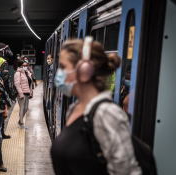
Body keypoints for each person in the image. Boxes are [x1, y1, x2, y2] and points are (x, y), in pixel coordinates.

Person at [51, 38, 141, 175]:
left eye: (63, 67)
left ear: (84, 70)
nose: (59, 73)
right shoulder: (74, 109)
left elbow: (127, 170)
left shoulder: (106, 113)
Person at [14, 61, 33, 129]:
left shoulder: (27, 73)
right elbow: (17, 84)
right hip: (21, 93)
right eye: (23, 65)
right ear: (19, 66)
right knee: (22, 108)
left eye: (26, 65)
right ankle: (21, 123)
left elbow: (30, 84)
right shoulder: (17, 73)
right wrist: (20, 94)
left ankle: (19, 121)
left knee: (26, 108)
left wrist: (31, 93)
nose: (25, 67)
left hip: (27, 93)